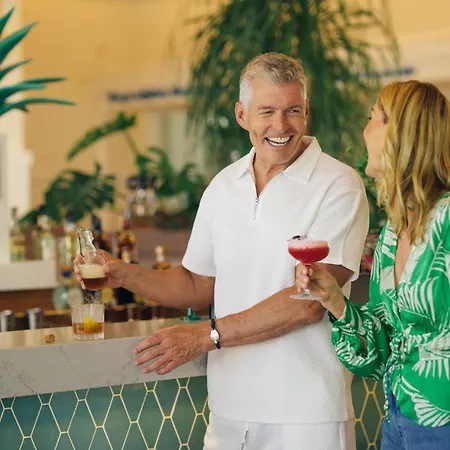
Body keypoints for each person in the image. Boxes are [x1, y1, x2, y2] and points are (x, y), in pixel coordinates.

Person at [75, 52, 369, 450]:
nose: (281, 126)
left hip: (306, 413)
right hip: (229, 411)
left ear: (307, 111)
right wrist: (122, 273)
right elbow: (197, 284)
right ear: (241, 115)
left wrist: (205, 335)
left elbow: (310, 303)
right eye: (266, 111)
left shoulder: (339, 184)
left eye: (292, 111)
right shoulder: (223, 185)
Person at [296, 80, 450, 450]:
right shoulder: (392, 234)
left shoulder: (447, 221)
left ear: (401, 133)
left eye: (372, 118)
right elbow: (380, 352)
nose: (364, 130)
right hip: (399, 417)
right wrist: (334, 300)